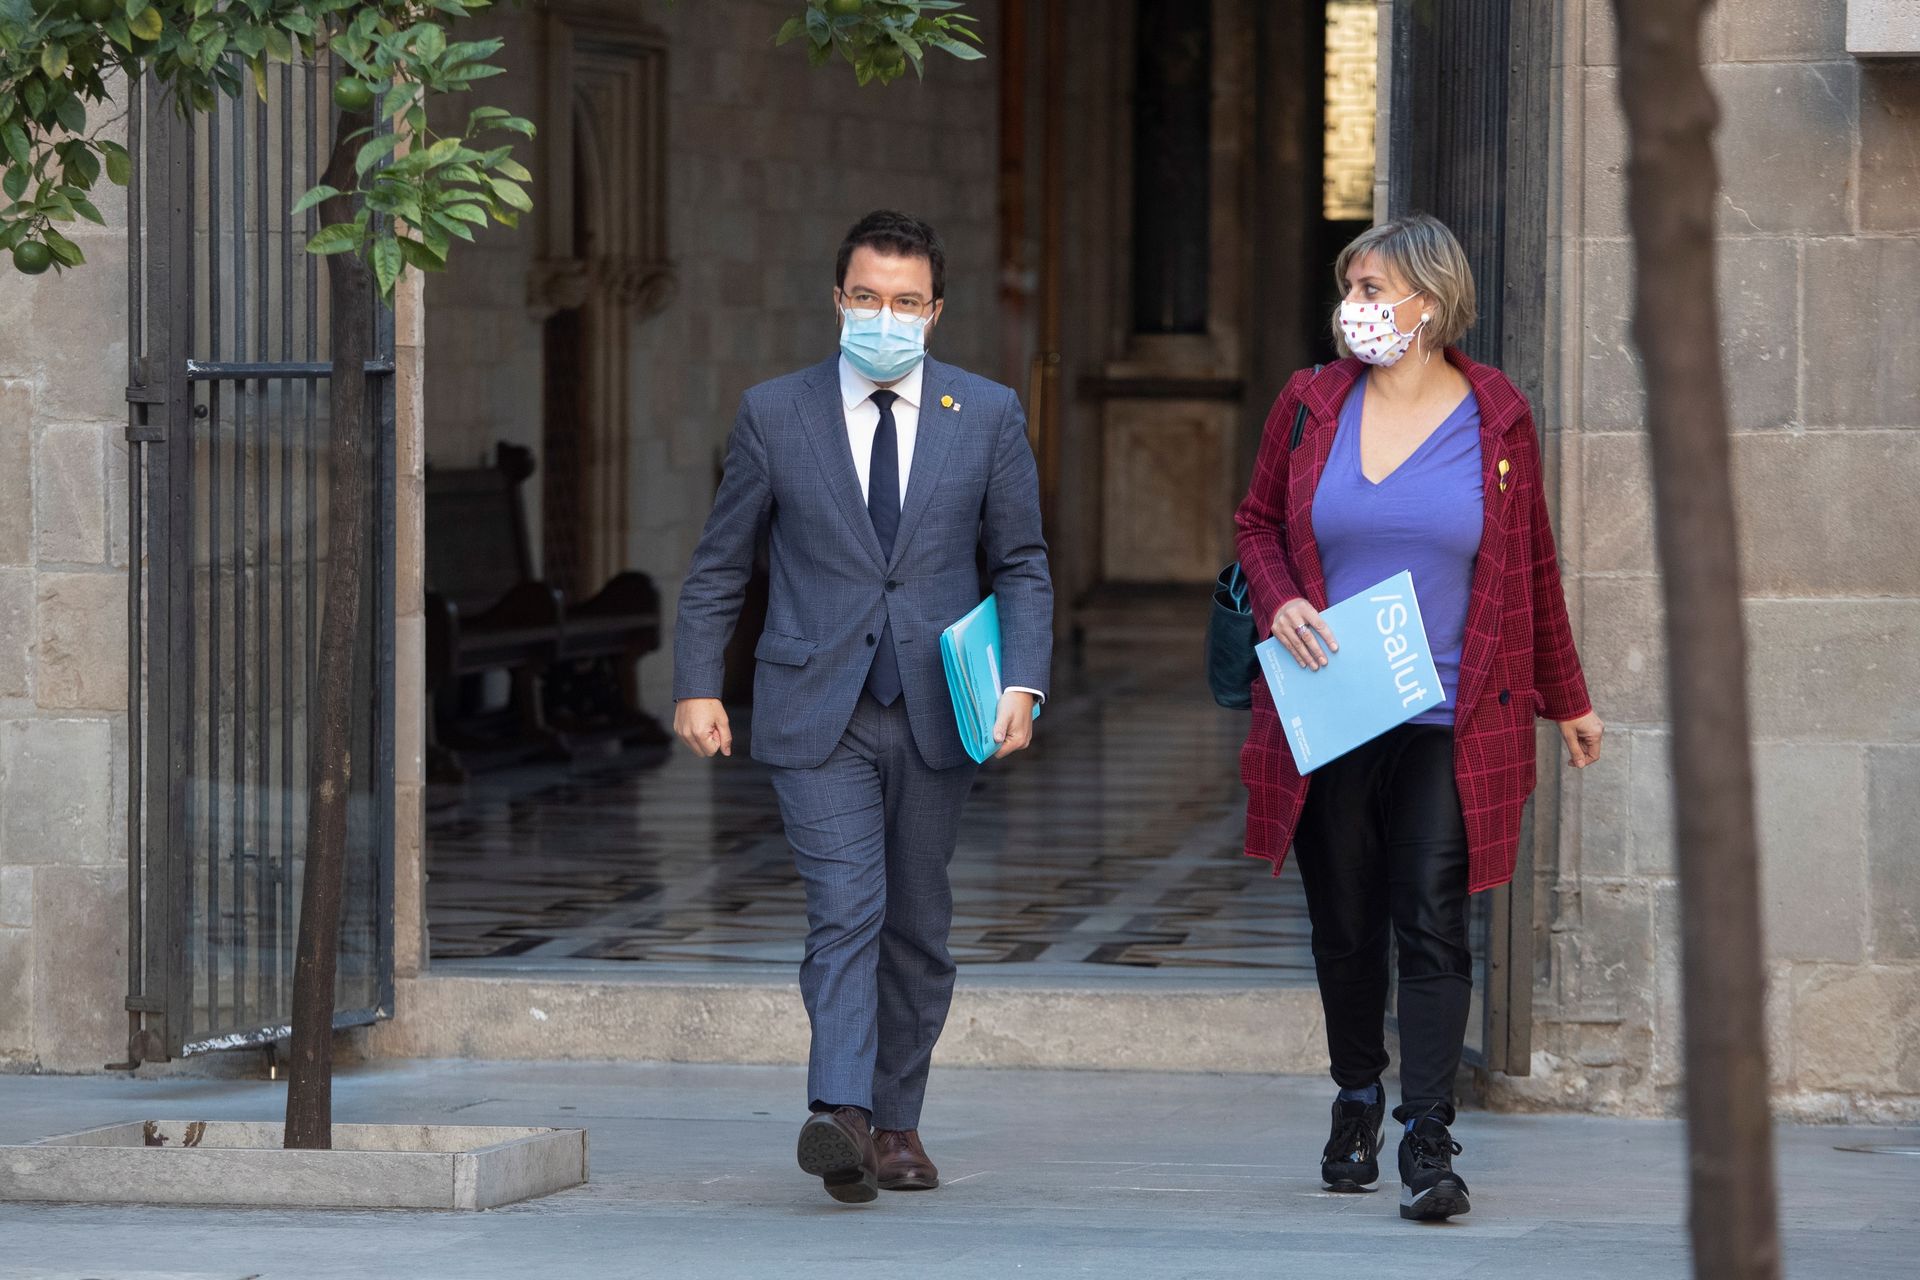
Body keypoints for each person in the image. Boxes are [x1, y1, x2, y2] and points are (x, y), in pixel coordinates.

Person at [672, 210, 1053, 1205]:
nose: (888, 316)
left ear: (936, 310)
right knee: (846, 907)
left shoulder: (987, 412)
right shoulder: (774, 413)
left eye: (907, 301)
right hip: (815, 708)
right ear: (839, 300)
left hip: (937, 708)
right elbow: (721, 562)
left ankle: (895, 1124)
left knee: (917, 924)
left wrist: (1023, 681)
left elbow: (1021, 561)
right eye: (869, 297)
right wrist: (698, 681)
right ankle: (840, 1112)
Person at [1234, 213, 1604, 1222]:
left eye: (1371, 289)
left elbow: (1531, 567)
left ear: (1428, 304)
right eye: (1349, 287)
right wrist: (1281, 600)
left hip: (1450, 710)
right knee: (1346, 920)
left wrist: (1568, 696)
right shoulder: (1310, 403)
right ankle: (1358, 1095)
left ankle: (1428, 1136)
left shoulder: (1497, 419)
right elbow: (1257, 523)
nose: (1352, 308)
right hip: (1332, 709)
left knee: (1433, 917)